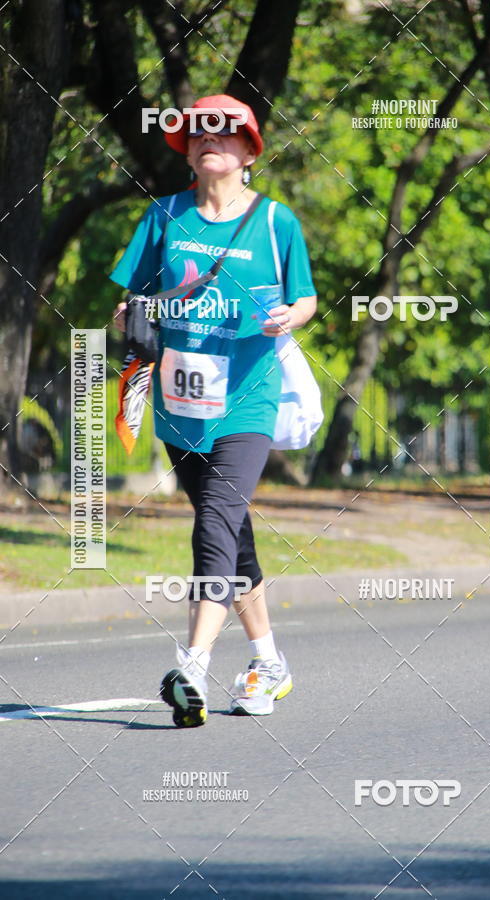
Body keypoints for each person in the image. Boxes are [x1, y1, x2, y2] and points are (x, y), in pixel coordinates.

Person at [111, 94, 317, 727]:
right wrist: (131, 322)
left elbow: (306, 298)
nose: (209, 141)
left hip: (247, 400)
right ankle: (269, 662)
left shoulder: (276, 222)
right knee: (233, 534)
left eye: (225, 134)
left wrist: (290, 314)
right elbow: (130, 301)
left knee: (214, 528)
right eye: (198, 134)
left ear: (249, 150)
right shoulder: (164, 216)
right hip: (179, 406)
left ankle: (191, 667)